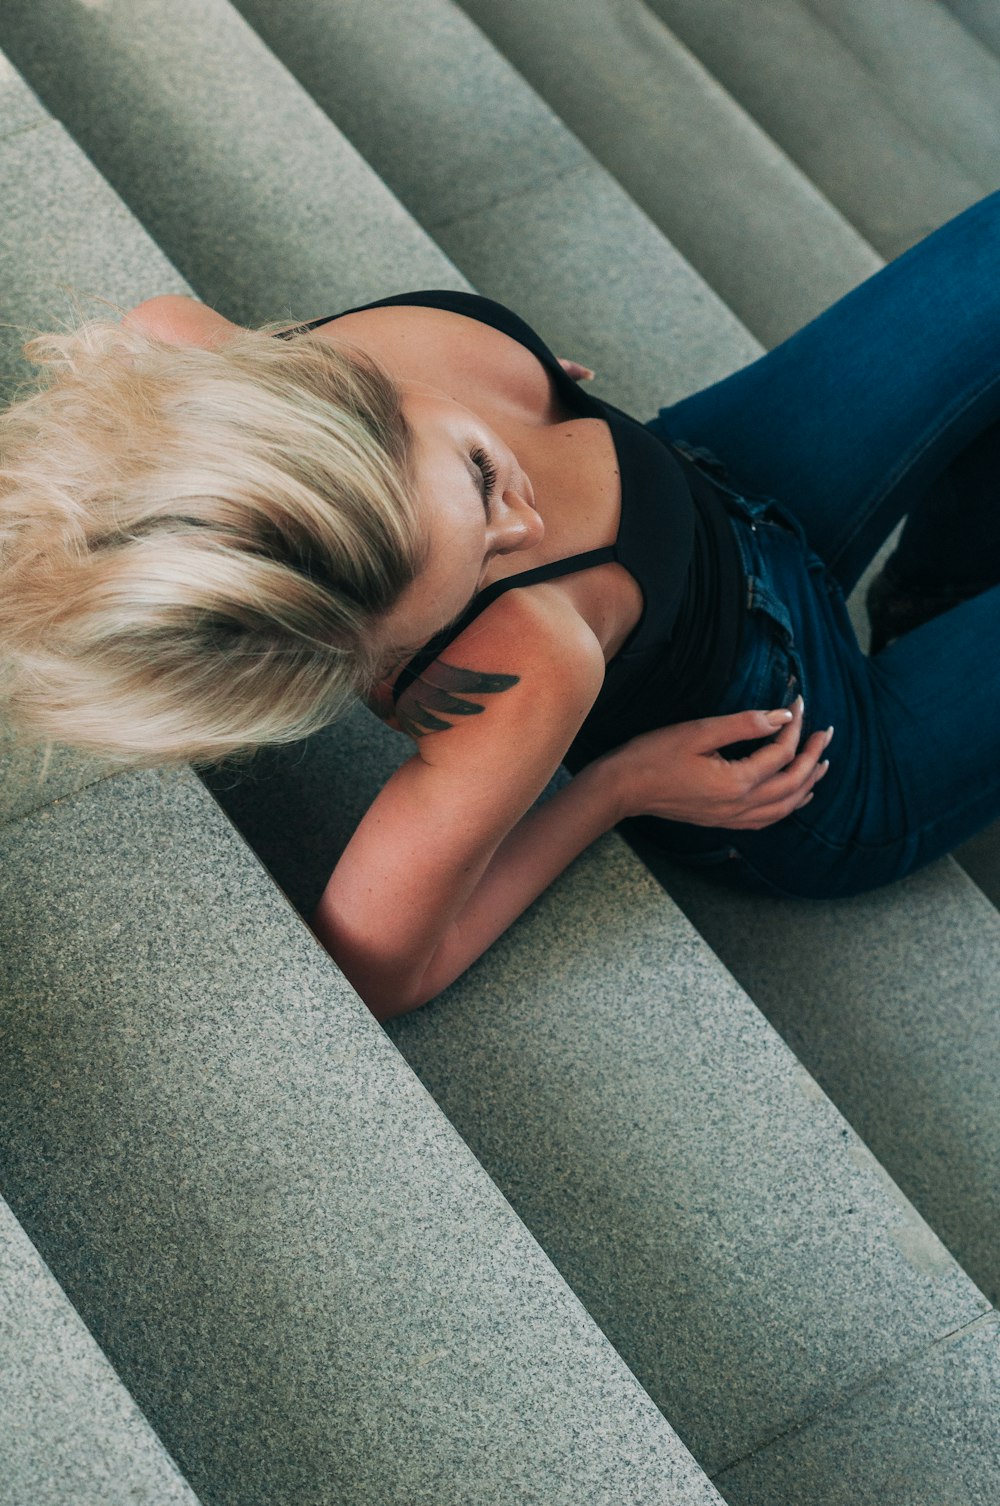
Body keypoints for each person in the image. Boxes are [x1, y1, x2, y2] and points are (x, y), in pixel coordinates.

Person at [2, 196, 999, 1019]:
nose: (522, 524)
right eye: (479, 566)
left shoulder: (200, 358)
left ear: (321, 396)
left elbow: (159, 344)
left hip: (719, 492)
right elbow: (377, 968)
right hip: (806, 749)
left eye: (481, 476)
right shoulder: (525, 661)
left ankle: (944, 591)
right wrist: (612, 789)